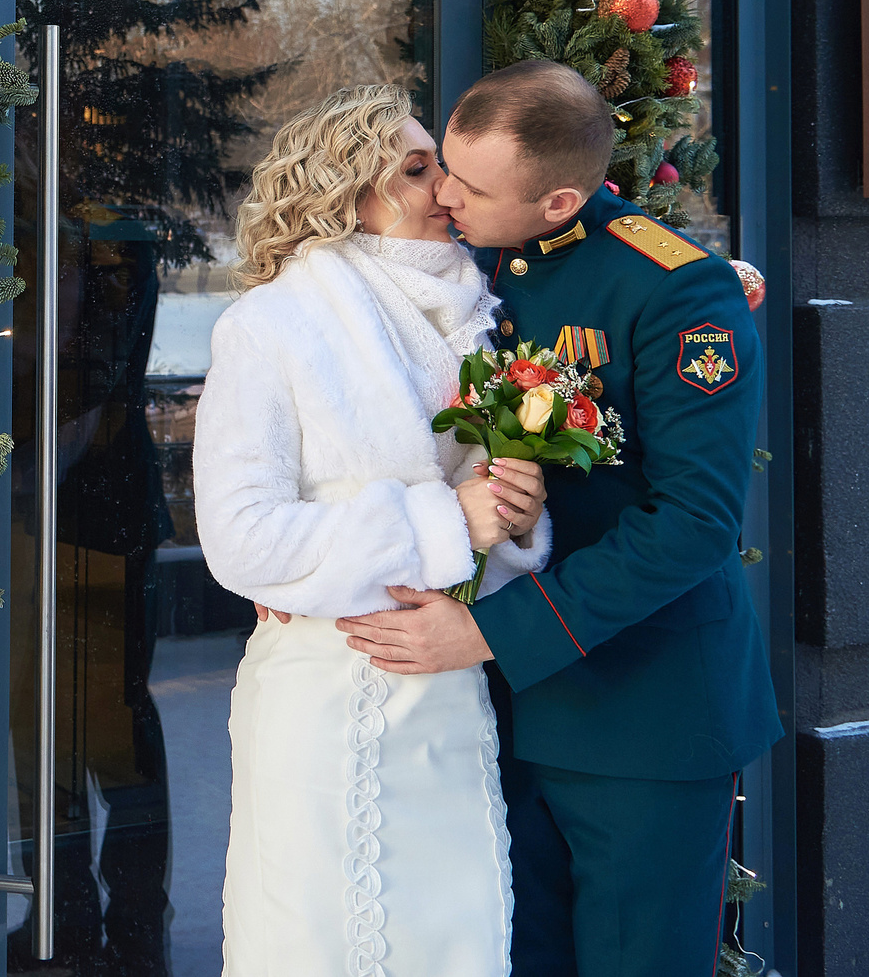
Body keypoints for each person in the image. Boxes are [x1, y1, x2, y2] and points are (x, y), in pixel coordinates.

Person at [334, 58, 781, 977]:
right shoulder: (467, 258)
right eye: (445, 165)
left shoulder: (675, 291)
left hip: (640, 711)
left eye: (470, 183)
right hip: (494, 714)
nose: (445, 194)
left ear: (558, 200)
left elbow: (694, 522)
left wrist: (492, 633)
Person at [193, 84, 550, 976]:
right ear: (344, 190)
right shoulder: (270, 325)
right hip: (323, 700)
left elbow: (480, 529)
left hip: (448, 700)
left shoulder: (474, 321)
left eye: (447, 164)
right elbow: (241, 537)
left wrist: (511, 517)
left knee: (455, 944)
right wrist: (446, 520)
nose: (447, 185)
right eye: (417, 167)